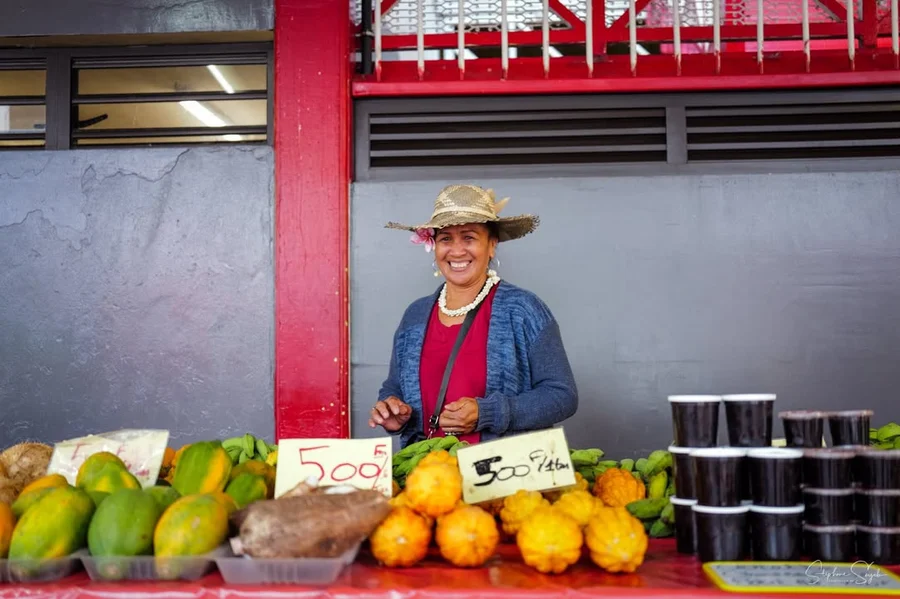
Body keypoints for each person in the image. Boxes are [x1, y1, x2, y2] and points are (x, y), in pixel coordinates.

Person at [368, 184, 578, 448]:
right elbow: (395, 388)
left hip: (504, 475)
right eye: (445, 238)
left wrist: (487, 412)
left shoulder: (524, 309)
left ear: (492, 245)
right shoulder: (416, 315)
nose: (456, 251)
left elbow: (561, 396)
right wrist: (394, 411)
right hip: (431, 476)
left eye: (469, 237)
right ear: (434, 246)